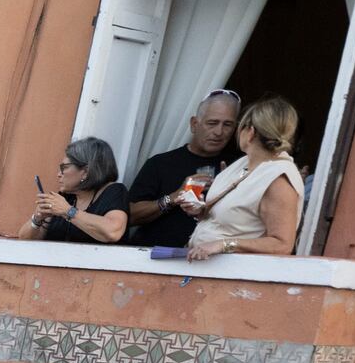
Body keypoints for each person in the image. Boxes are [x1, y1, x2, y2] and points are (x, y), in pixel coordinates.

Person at [185, 97, 305, 262]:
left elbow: (282, 244)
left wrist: (223, 244)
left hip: (236, 275)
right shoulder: (244, 163)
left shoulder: (278, 179)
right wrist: (200, 210)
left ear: (250, 132)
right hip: (206, 269)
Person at [123, 89, 240, 250]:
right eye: (212, 123)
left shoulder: (239, 167)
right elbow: (127, 217)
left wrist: (231, 192)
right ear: (194, 124)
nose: (219, 132)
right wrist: (174, 197)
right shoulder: (161, 163)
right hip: (154, 260)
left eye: (227, 125)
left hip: (213, 264)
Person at [27, 138, 130, 243]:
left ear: (85, 171)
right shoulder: (65, 197)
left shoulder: (113, 192)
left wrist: (68, 211)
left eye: (64, 168)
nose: (58, 174)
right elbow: (26, 242)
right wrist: (37, 219)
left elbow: (113, 232)